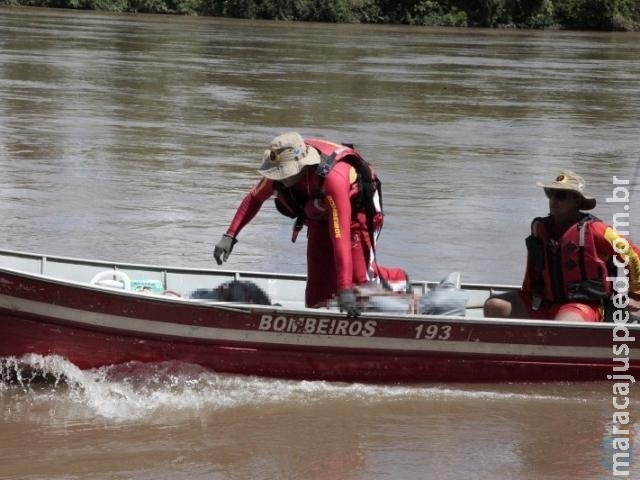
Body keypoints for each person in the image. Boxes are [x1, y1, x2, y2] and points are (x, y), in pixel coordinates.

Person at [213, 132, 386, 316]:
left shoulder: (333, 180)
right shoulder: (278, 174)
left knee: (358, 282)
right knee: (317, 287)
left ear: (302, 165)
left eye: (284, 173)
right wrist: (230, 235)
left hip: (355, 214)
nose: (279, 178)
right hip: (320, 213)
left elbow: (340, 237)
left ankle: (398, 288)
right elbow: (254, 198)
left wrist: (344, 288)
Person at [484, 170, 640, 322]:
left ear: (577, 200)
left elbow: (633, 255)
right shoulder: (539, 228)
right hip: (542, 301)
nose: (553, 200)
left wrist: (635, 295)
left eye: (560, 195)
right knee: (494, 305)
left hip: (582, 304)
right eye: (550, 194)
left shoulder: (597, 230)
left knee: (563, 325)